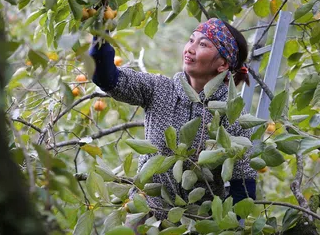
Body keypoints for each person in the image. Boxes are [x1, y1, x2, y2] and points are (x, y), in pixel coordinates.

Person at [89, 18, 257, 224]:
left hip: (196, 223)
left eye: (203, 44)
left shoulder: (232, 115)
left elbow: (244, 185)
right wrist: (101, 30)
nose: (190, 49)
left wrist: (223, 225)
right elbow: (106, 77)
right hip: (145, 216)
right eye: (191, 40)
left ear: (223, 64)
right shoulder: (159, 89)